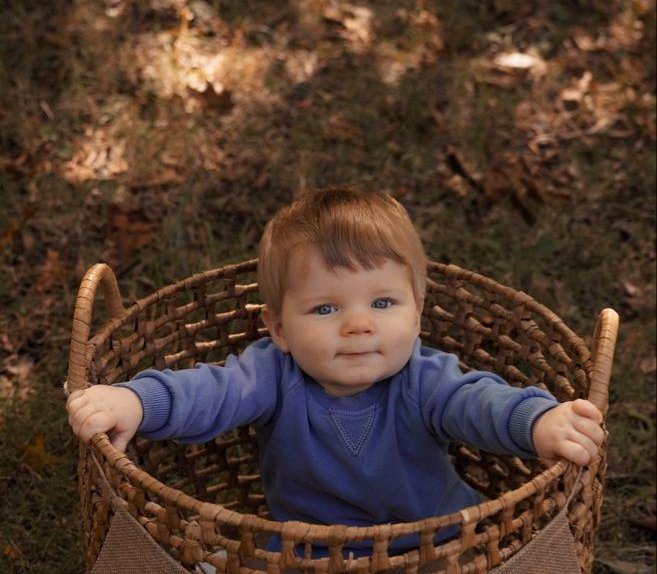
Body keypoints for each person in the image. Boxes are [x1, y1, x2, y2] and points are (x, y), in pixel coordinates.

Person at [66, 187, 604, 555]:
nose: (357, 326)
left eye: (383, 304)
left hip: (439, 541)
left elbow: (484, 404)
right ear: (278, 328)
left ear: (419, 312)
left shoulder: (426, 380)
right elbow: (207, 392)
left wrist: (538, 423)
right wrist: (134, 401)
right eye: (326, 309)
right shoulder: (273, 375)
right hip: (312, 555)